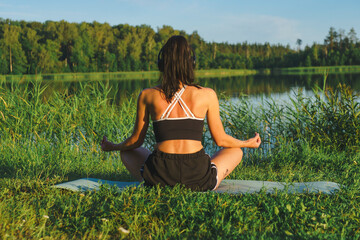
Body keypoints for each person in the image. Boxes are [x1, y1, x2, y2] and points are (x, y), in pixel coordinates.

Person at [101, 35, 261, 191]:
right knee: (236, 151)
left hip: (160, 174)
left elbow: (135, 142)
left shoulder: (147, 95)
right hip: (198, 175)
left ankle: (151, 181)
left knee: (127, 152)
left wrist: (114, 146)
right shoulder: (207, 94)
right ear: (191, 63)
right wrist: (247, 143)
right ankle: (209, 181)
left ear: (162, 63)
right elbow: (221, 140)